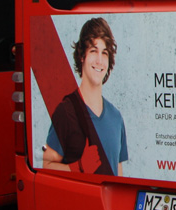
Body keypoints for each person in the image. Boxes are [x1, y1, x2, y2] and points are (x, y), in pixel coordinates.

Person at [42, 17, 128, 175]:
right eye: (93, 51)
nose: (99, 60)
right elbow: (47, 165)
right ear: (82, 56)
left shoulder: (116, 117)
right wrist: (79, 167)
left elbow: (118, 173)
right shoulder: (66, 112)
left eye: (105, 53)